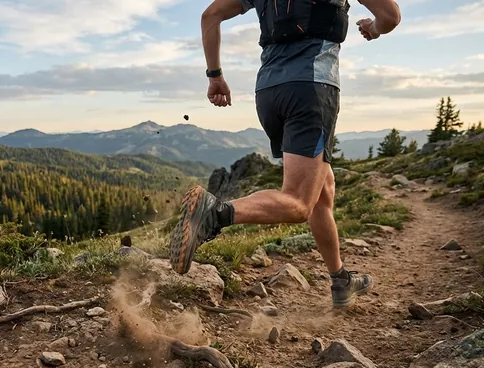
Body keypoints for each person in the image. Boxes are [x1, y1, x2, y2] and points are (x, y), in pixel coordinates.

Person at [169, 0, 401, 308]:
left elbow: (210, 15)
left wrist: (215, 75)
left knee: (322, 188)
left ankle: (340, 280)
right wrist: (374, 28)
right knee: (299, 203)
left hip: (268, 92)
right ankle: (214, 213)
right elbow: (390, 16)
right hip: (311, 89)